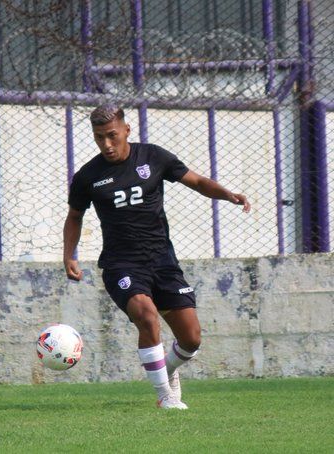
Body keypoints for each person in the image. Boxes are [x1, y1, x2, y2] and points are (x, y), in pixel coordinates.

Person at [63, 105, 250, 409]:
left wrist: (227, 194)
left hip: (162, 261)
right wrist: (69, 255)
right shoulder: (87, 176)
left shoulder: (153, 157)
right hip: (121, 264)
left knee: (191, 339)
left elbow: (198, 181)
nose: (107, 145)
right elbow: (74, 216)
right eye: (99, 138)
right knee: (147, 317)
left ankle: (167, 368)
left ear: (126, 130)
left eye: (112, 136)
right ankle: (166, 397)